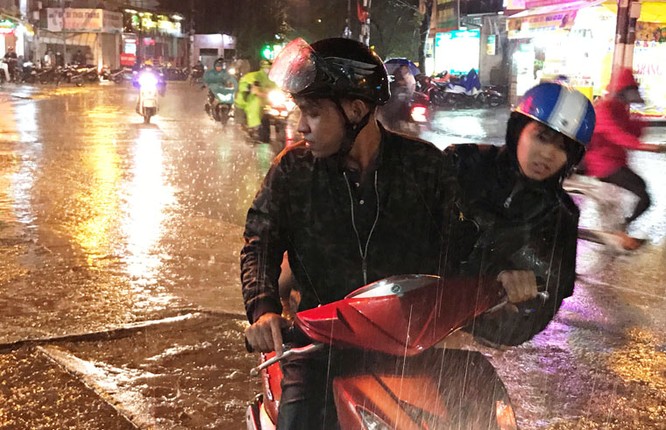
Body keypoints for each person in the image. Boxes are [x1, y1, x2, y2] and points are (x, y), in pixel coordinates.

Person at [241, 37, 459, 429]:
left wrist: (504, 281)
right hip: (317, 350)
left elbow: (462, 243)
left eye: (312, 113)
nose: (300, 126)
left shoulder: (425, 168)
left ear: (356, 110)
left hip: (410, 349)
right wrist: (263, 308)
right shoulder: (292, 172)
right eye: (300, 112)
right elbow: (260, 242)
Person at [444, 82, 596, 347]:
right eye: (541, 136)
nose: (548, 154)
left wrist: (520, 305)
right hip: (408, 315)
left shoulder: (560, 217)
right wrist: (491, 273)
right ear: (518, 130)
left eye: (563, 147)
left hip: (465, 343)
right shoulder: (463, 163)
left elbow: (540, 307)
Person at [581, 67, 666, 250]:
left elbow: (633, 131)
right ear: (623, 91)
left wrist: (640, 112)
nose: (635, 93)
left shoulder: (621, 109)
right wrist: (649, 147)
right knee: (644, 196)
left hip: (615, 163)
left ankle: (621, 229)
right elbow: (617, 135)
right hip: (603, 166)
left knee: (643, 194)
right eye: (632, 90)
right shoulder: (604, 109)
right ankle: (620, 232)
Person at [234, 59, 276, 142]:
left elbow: (278, 88)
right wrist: (253, 88)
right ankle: (253, 126)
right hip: (251, 99)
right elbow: (250, 85)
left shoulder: (273, 78)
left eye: (269, 68)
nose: (267, 70)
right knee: (254, 105)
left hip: (267, 100)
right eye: (266, 68)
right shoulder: (255, 76)